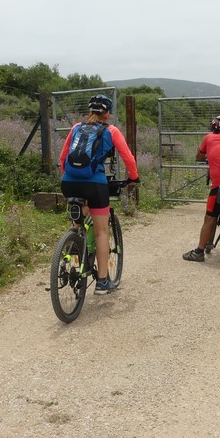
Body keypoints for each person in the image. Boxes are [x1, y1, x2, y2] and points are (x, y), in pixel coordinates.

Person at [59, 94, 139, 294]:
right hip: (95, 184)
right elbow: (128, 158)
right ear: (108, 113)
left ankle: (73, 239)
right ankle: (102, 282)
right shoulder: (111, 131)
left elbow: (63, 157)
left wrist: (68, 178)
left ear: (90, 111)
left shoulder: (76, 128)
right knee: (102, 231)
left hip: (68, 182)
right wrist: (134, 177)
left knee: (80, 212)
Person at [182, 115, 220, 262]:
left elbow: (198, 156)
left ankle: (199, 252)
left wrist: (209, 158)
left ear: (214, 128)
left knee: (209, 218)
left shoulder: (209, 138)